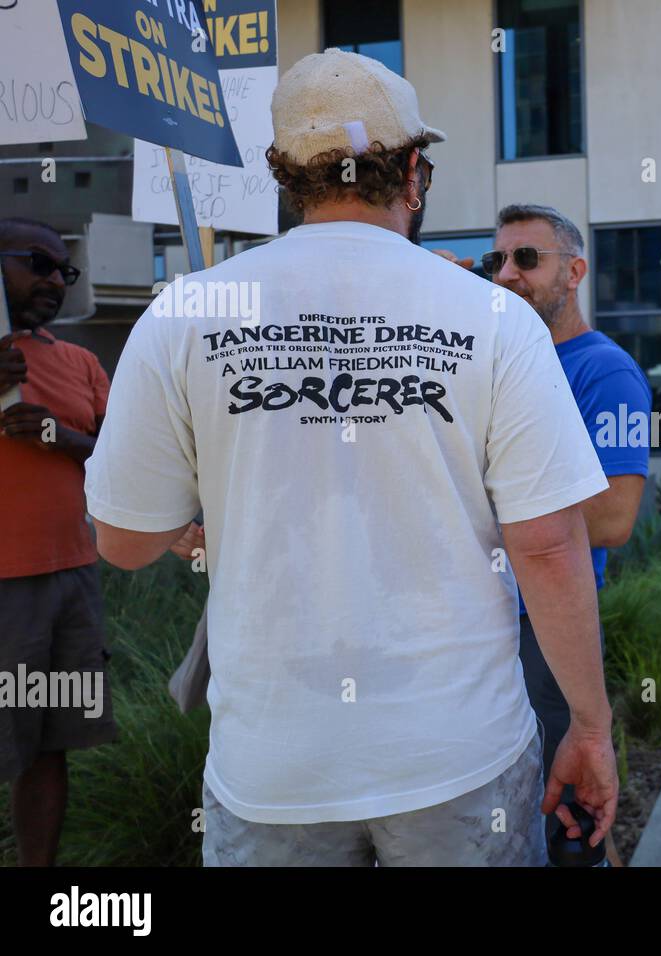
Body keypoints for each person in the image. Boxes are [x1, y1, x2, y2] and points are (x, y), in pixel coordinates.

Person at [82, 49, 617, 866]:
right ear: (413, 171)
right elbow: (546, 545)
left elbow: (120, 541)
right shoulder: (496, 320)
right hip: (457, 758)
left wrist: (202, 516)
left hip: (273, 773)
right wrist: (590, 725)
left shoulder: (185, 313)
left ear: (284, 175)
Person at [484, 205, 650, 837]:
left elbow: (613, 519)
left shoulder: (602, 370)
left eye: (528, 258)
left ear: (574, 271)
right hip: (486, 620)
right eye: (497, 260)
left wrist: (483, 510)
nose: (508, 274)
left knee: (566, 820)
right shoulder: (499, 360)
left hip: (548, 629)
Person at [0, 217, 116, 867]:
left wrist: (58, 437)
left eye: (62, 270)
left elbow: (121, 460)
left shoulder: (79, 362)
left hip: (71, 576)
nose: (53, 279)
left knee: (47, 745)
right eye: (35, 263)